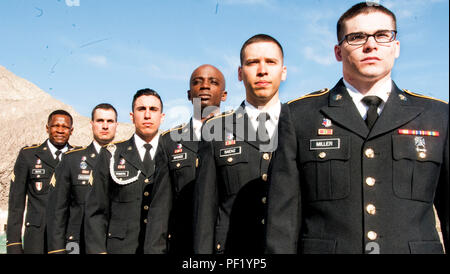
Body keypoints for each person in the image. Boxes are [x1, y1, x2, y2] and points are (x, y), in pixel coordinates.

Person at [265, 2, 449, 254]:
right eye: (357, 37)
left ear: (396, 47)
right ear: (338, 52)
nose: (370, 44)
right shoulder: (299, 116)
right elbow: (282, 222)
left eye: (383, 35)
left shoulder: (437, 116)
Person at [193, 34, 288, 254]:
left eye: (271, 62)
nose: (262, 70)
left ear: (283, 72)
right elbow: (205, 212)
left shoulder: (302, 122)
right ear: (239, 73)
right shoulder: (215, 130)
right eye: (252, 62)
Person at [145, 64, 227, 254]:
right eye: (197, 82)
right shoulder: (170, 141)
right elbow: (160, 208)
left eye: (213, 82)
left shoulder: (239, 136)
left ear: (224, 95)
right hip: (183, 245)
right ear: (189, 94)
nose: (205, 86)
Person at [84, 89, 165, 254]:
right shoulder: (111, 154)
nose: (147, 115)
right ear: (132, 116)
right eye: (141, 109)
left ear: (162, 116)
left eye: (153, 109)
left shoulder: (171, 154)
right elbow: (96, 211)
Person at [46, 104, 118, 254]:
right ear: (91, 124)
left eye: (110, 121)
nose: (105, 126)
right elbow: (57, 210)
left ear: (116, 125)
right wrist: (56, 250)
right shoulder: (71, 159)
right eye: (100, 121)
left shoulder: (126, 161)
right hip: (78, 243)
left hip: (114, 242)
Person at [6, 110, 74, 254]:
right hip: (37, 237)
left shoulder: (78, 157)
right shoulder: (28, 155)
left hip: (68, 236)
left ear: (71, 130)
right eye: (55, 126)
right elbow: (16, 205)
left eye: (65, 127)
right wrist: (14, 244)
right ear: (47, 128)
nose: (60, 130)